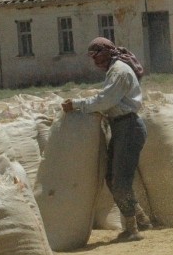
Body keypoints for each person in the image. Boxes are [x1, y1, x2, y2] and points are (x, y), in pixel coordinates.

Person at [62, 37, 151, 242]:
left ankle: (132, 229)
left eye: (97, 55)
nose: (95, 61)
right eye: (92, 57)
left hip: (128, 128)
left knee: (120, 181)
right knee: (112, 178)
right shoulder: (114, 70)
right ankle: (141, 220)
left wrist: (77, 104)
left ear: (107, 52)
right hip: (121, 128)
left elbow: (105, 100)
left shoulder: (119, 71)